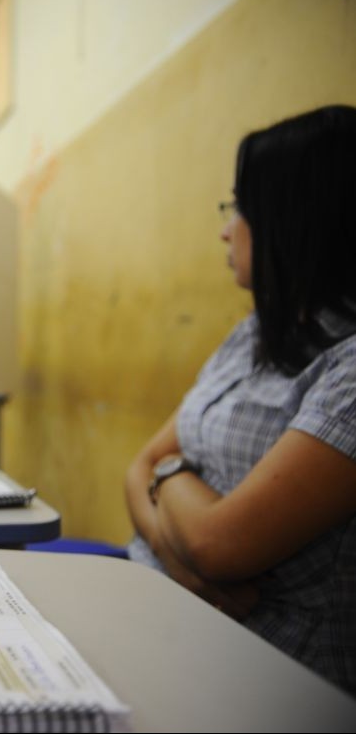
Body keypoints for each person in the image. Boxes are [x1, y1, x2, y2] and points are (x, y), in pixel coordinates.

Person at [125, 105, 356, 693]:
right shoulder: (256, 331)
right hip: (169, 609)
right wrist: (182, 564)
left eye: (241, 208)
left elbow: (217, 544)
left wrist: (169, 474)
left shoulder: (349, 370)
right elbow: (136, 468)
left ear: (294, 218)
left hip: (268, 678)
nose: (227, 228)